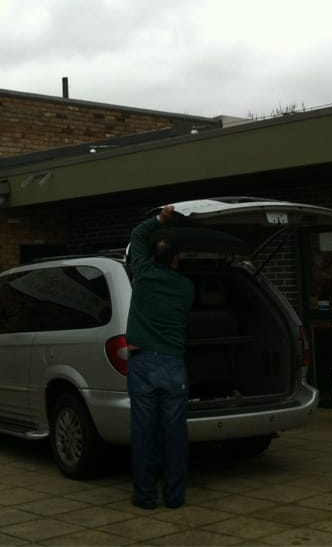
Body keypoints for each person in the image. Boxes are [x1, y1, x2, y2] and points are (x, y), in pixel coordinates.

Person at [125, 204, 195, 510]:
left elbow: (137, 236)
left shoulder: (142, 273)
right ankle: (175, 497)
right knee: (175, 433)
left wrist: (160, 219)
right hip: (173, 365)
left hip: (142, 365)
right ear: (177, 259)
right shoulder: (187, 288)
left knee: (143, 432)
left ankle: (145, 497)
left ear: (152, 257)